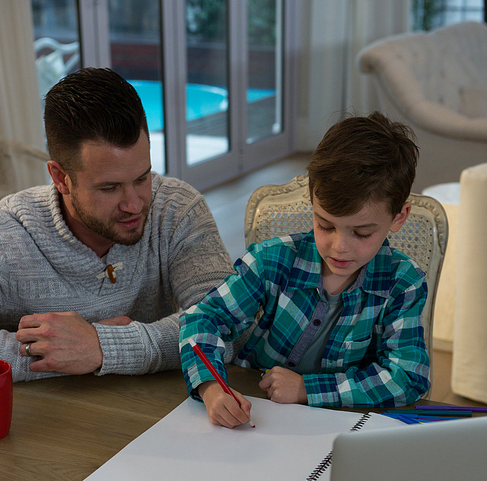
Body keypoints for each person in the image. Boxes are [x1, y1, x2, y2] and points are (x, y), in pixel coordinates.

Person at [179, 112, 430, 428]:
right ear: (312, 201)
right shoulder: (273, 260)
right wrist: (211, 386)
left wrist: (306, 389)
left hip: (337, 430)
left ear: (399, 216)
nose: (339, 247)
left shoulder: (402, 282)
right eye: (325, 225)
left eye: (362, 233)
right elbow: (202, 319)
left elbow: (408, 376)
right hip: (255, 419)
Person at [0, 67, 235, 382]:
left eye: (142, 178)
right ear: (61, 178)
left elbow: (229, 324)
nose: (134, 204)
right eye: (109, 188)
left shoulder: (177, 209)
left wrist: (104, 347)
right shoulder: (2, 236)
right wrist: (65, 350)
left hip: (154, 417)